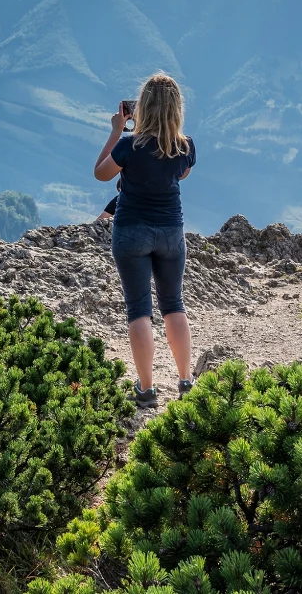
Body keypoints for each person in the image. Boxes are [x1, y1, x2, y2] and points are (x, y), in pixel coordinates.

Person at [93, 73, 196, 407]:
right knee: (173, 305)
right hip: (170, 232)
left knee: (139, 310)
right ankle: (184, 380)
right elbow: (180, 173)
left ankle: (147, 390)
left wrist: (116, 130)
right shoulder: (186, 146)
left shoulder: (129, 146)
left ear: (144, 108)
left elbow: (101, 173)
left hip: (131, 231)